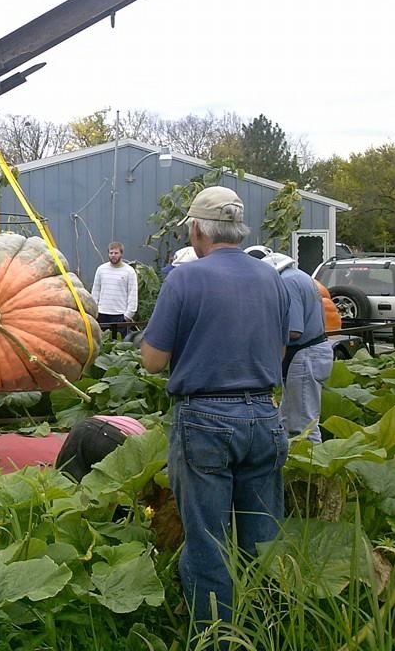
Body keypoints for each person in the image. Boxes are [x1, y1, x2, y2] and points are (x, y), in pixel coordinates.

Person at [139, 186, 290, 634]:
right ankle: (267, 631)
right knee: (262, 537)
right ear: (239, 229)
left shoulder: (184, 279)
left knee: (208, 542)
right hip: (264, 415)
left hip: (205, 418)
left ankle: (217, 638)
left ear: (197, 230)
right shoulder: (272, 278)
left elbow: (153, 360)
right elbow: (280, 351)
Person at [246, 246, 333, 442]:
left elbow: (294, 330)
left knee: (303, 425)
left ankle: (313, 460)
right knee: (288, 419)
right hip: (314, 351)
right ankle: (293, 459)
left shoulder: (286, 282)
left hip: (305, 354)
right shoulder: (299, 276)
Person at [55, 415, 146, 480]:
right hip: (111, 437)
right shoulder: (147, 450)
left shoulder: (134, 424)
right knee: (115, 487)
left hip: (83, 427)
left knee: (66, 480)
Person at [91, 241, 138, 326]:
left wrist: (127, 315)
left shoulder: (129, 271)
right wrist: (95, 311)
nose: (113, 255)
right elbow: (95, 291)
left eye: (116, 253)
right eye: (111, 253)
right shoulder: (101, 269)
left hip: (120, 315)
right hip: (101, 314)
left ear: (121, 254)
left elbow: (132, 294)